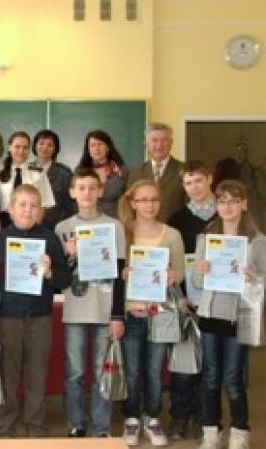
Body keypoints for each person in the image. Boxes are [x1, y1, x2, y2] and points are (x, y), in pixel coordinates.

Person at [0, 184, 71, 437]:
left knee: (37, 375)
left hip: (40, 317)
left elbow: (65, 279)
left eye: (34, 206)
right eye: (22, 205)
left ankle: (36, 426)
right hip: (7, 317)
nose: (28, 210)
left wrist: (49, 273)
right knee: (7, 375)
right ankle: (4, 427)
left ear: (41, 211)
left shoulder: (50, 239)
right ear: (11, 209)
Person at [192, 179, 266, 449]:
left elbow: (264, 280)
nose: (227, 206)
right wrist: (201, 271)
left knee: (233, 378)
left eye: (234, 201)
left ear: (244, 204)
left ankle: (239, 433)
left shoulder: (258, 241)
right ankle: (211, 431)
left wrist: (253, 276)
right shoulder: (206, 238)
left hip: (239, 316)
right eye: (222, 201)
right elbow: (196, 283)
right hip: (210, 314)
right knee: (210, 376)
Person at [54, 168, 126, 438]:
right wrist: (69, 256)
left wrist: (117, 315)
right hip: (74, 309)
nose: (86, 193)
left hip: (104, 310)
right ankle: (76, 423)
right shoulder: (62, 228)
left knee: (101, 371)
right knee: (74, 372)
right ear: (72, 192)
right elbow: (58, 278)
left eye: (92, 188)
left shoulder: (115, 227)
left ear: (101, 191)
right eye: (81, 188)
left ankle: (101, 428)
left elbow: (119, 275)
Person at [117, 179, 185, 447]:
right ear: (133, 203)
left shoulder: (172, 235)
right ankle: (132, 417)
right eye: (143, 200)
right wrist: (122, 274)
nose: (149, 205)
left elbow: (180, 273)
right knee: (133, 371)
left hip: (160, 314)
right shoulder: (122, 232)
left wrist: (173, 275)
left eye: (154, 199)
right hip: (132, 313)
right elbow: (112, 271)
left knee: (155, 371)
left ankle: (152, 417)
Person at [166, 160, 217, 443]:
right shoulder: (177, 219)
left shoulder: (224, 215)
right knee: (184, 364)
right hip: (185, 301)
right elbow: (174, 263)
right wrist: (182, 296)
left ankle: (204, 418)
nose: (194, 187)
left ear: (210, 179)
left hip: (217, 302)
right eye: (188, 183)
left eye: (198, 181)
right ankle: (179, 416)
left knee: (211, 364)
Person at [127, 122, 185, 222]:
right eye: (154, 140)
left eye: (164, 140)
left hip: (176, 228)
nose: (159, 145)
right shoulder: (135, 172)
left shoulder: (184, 170)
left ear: (171, 144)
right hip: (143, 228)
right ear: (146, 144)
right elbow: (129, 204)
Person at [0, 131, 55, 228]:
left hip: (31, 221)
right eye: (17, 147)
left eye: (25, 148)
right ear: (9, 147)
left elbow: (44, 205)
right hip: (5, 223)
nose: (21, 151)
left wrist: (34, 229)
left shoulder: (38, 174)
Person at [76, 129, 128, 219]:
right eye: (92, 145)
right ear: (88, 150)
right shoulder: (80, 172)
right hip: (87, 220)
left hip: (114, 220)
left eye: (100, 144)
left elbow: (127, 199)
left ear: (108, 148)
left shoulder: (121, 171)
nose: (96, 148)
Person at [31, 129, 75, 229]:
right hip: (28, 225)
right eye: (41, 143)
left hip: (55, 227)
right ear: (35, 146)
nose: (45, 148)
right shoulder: (25, 170)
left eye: (50, 145)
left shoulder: (64, 173)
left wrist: (60, 226)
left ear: (55, 149)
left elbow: (70, 206)